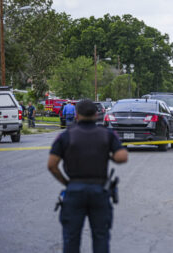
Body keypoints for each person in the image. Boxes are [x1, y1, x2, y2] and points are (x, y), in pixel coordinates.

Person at [47, 99, 128, 253]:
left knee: (71, 238)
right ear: (96, 114)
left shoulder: (66, 136)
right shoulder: (107, 134)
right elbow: (122, 157)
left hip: (74, 190)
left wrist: (67, 183)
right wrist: (108, 155)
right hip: (99, 190)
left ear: (76, 115)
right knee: (101, 237)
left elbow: (52, 165)